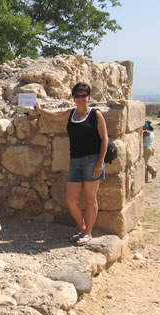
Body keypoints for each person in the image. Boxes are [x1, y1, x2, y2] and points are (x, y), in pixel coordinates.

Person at [34, 83, 108, 246]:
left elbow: (104, 139)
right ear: (73, 97)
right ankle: (81, 227)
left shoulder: (96, 114)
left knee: (90, 198)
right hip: (75, 161)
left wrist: (100, 162)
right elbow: (54, 116)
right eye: (78, 95)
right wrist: (39, 110)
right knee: (70, 199)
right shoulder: (72, 113)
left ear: (89, 97)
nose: (81, 99)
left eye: (84, 95)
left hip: (92, 160)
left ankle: (88, 232)